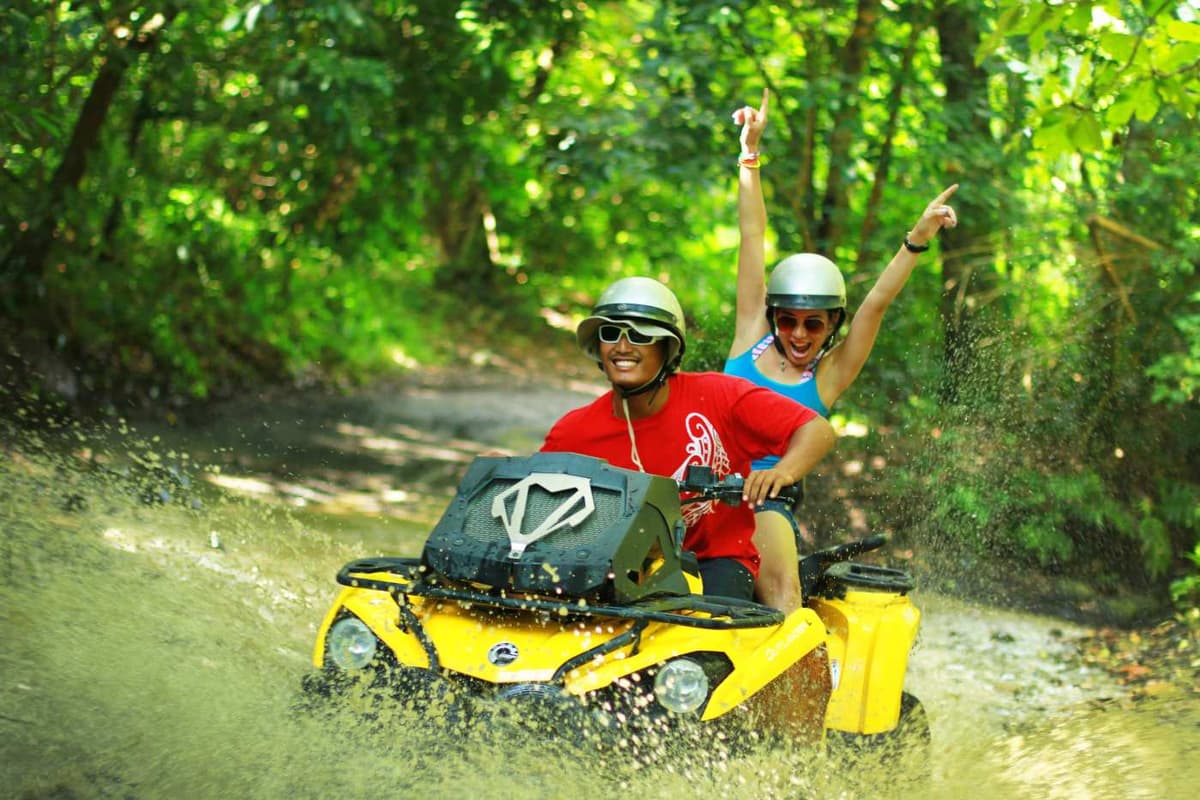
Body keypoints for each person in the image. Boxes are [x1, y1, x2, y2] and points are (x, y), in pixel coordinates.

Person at [726, 90, 959, 612]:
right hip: (699, 485)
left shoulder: (827, 377)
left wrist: (918, 238)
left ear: (832, 325)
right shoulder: (750, 334)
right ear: (772, 317)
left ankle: (788, 686)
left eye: (815, 324)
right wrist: (749, 155)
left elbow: (875, 304)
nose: (800, 334)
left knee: (781, 595)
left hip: (765, 503)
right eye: (788, 320)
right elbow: (752, 233)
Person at [541, 276, 836, 602]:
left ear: (668, 348)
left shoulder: (719, 396)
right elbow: (536, 505)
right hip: (615, 567)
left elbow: (816, 429)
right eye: (611, 334)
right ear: (598, 346)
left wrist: (784, 471)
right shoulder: (572, 431)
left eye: (640, 335)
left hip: (715, 562)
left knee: (710, 642)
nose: (623, 347)